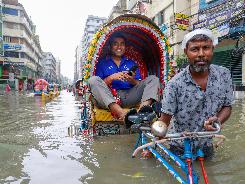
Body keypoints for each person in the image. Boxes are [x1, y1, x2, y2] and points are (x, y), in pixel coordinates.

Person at [149, 28, 234, 158]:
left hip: (206, 144)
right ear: (186, 52)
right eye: (194, 49)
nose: (201, 54)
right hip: (178, 146)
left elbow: (227, 106)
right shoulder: (174, 84)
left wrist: (218, 121)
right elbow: (164, 122)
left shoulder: (224, 75)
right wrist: (151, 148)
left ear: (212, 49)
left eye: (206, 48)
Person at [88, 34, 160, 120]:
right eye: (115, 44)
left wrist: (132, 80)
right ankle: (122, 113)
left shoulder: (131, 63)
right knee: (92, 80)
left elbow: (140, 84)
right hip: (109, 97)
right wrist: (111, 78)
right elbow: (97, 86)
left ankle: (142, 112)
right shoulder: (102, 63)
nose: (119, 47)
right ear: (110, 46)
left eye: (122, 44)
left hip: (129, 96)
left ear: (125, 47)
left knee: (153, 79)